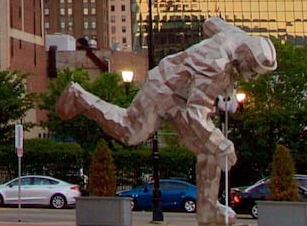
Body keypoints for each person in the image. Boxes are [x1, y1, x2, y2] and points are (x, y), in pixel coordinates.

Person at [55, 17, 277, 226]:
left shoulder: (236, 36)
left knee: (207, 151)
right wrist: (221, 143)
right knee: (131, 132)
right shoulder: (217, 68)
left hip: (182, 94)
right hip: (164, 87)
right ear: (244, 58)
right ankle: (79, 97)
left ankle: (208, 209)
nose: (254, 77)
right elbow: (195, 114)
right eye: (254, 71)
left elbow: (210, 23)